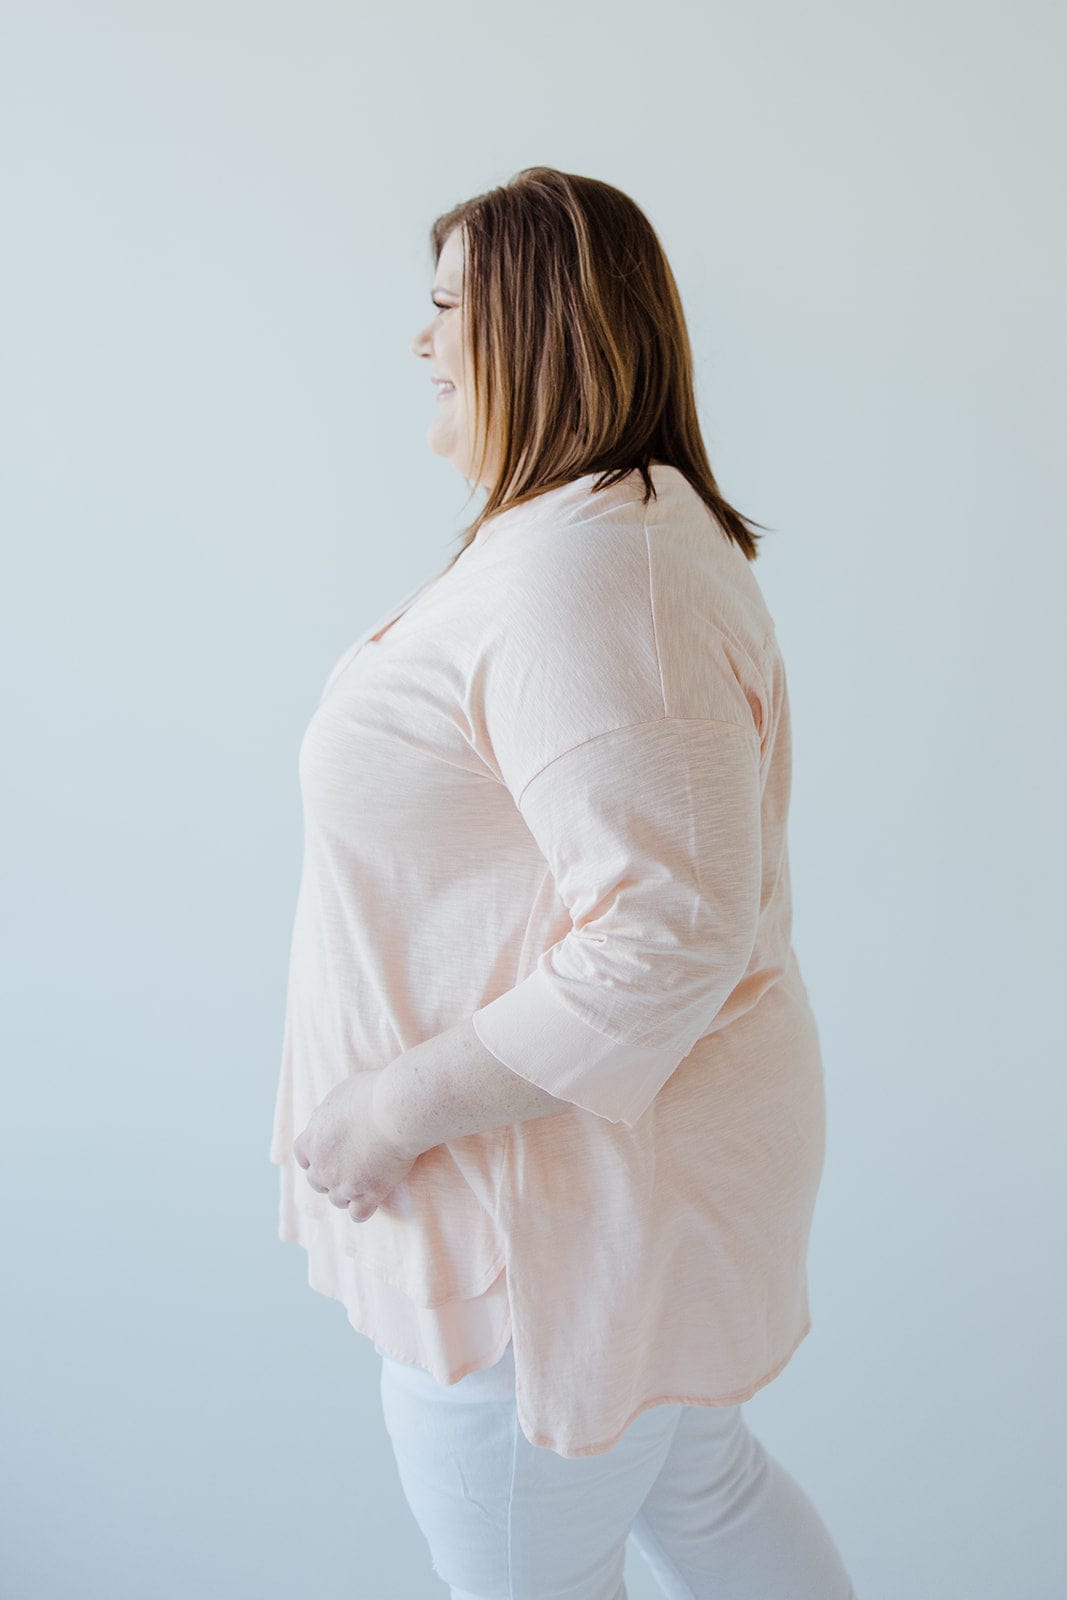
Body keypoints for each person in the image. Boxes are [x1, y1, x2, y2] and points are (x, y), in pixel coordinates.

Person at [269, 165, 859, 1600]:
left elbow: (664, 934)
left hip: (544, 1234)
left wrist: (384, 1115)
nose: (421, 344)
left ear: (532, 323)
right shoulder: (593, 543)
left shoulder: (587, 581)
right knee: (704, 1488)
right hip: (597, 1211)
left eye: (443, 309)